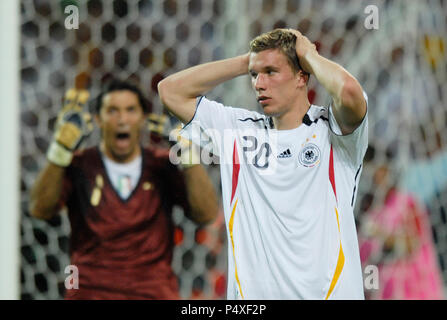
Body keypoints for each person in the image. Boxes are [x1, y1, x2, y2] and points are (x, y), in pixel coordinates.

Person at [158, 29, 368, 299]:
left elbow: (350, 92)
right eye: (255, 75)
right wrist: (247, 61)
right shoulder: (237, 132)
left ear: (301, 77)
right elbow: (170, 91)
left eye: (271, 72)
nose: (259, 83)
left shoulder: (333, 132)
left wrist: (309, 55)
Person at [29, 80, 219, 299]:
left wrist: (186, 152)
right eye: (112, 111)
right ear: (98, 120)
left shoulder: (162, 165)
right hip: (91, 291)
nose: (122, 119)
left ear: (143, 119)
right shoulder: (79, 165)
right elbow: (39, 210)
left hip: (152, 293)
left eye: (130, 110)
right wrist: (60, 150)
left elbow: (206, 214)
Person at [358, 163, 444, 299]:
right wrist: (370, 292)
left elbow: (412, 245)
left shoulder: (407, 203)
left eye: (379, 168)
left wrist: (382, 235)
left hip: (415, 291)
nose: (374, 174)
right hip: (383, 293)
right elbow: (368, 265)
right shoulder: (369, 214)